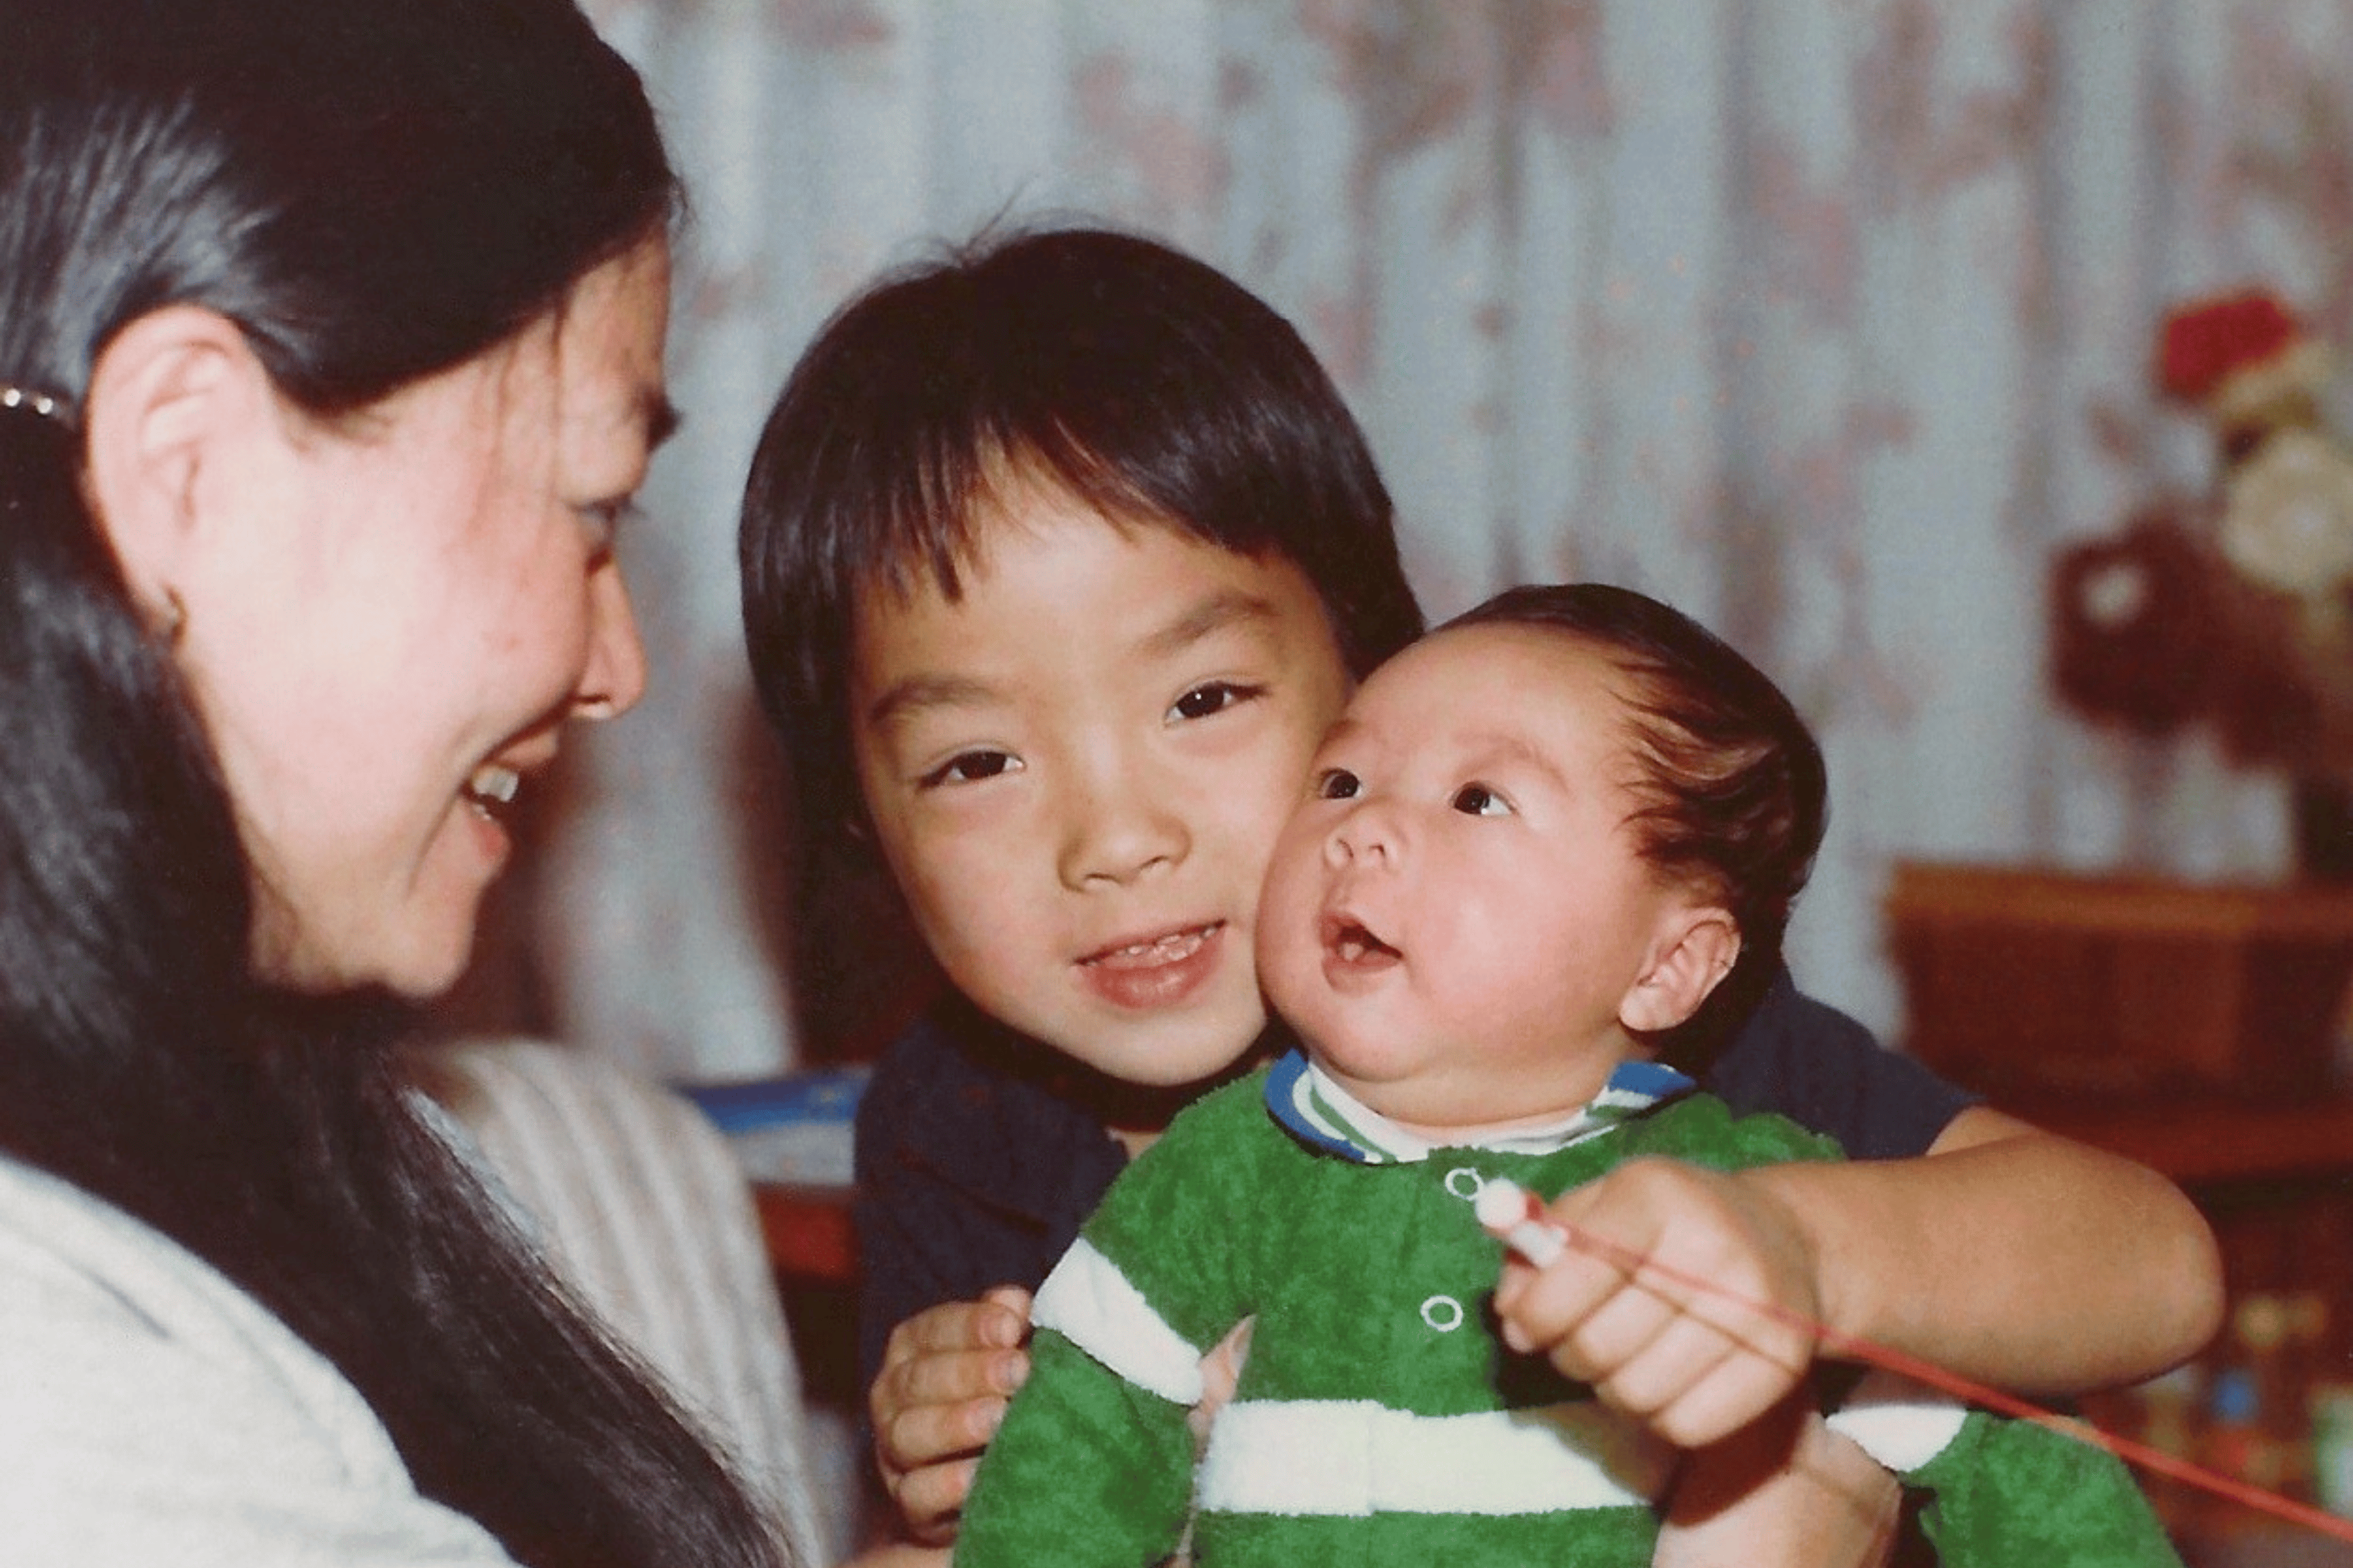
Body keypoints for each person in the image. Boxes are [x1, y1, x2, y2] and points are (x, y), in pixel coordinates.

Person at [737, 224, 2221, 1559]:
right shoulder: (953, 1125)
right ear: (862, 833)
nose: (1111, 839)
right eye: (975, 761)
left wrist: (1806, 1248)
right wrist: (931, 1476)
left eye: (1200, 701)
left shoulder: (1571, 1005)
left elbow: (2151, 1262)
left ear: (1373, 679)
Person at [0, 0, 793, 1564]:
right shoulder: (55, 1378)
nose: (615, 667)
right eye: (590, 504)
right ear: (190, 467)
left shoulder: (245, 1154)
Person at [952, 581, 2181, 1566]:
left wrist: (1799, 1262)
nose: (1364, 826)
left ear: (1669, 966)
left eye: (1478, 798)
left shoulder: (1729, 1197)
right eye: (1341, 781)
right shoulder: (1216, 1176)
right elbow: (1080, 1443)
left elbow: (2006, 1443)